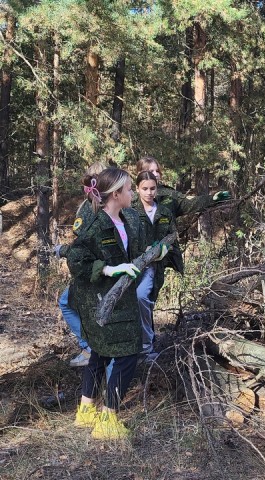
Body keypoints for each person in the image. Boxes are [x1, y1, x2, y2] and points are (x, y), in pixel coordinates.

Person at [67, 167, 149, 440]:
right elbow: (76, 260)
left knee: (100, 352)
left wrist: (155, 253)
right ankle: (108, 420)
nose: (132, 194)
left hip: (118, 302)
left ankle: (86, 411)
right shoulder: (94, 223)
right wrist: (108, 269)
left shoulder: (126, 220)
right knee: (127, 354)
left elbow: (136, 248)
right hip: (99, 302)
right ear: (115, 194)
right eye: (128, 190)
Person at [132, 156, 229, 359]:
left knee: (146, 297)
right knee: (135, 300)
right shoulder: (130, 202)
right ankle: (137, 344)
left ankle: (146, 346)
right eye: (151, 171)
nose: (156, 175)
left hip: (157, 261)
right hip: (132, 261)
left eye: (158, 171)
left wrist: (213, 199)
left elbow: (190, 204)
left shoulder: (168, 197)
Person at [54, 162, 106, 368]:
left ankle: (89, 349)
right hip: (103, 269)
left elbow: (81, 245)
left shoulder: (87, 209)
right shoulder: (115, 207)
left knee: (66, 303)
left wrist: (63, 250)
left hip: (91, 272)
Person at [133, 171, 176, 361]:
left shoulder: (164, 212)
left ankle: (146, 346)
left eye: (152, 188)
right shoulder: (130, 210)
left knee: (142, 297)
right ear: (137, 189)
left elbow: (172, 236)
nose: (149, 193)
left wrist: (162, 250)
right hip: (131, 264)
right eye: (145, 189)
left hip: (153, 267)